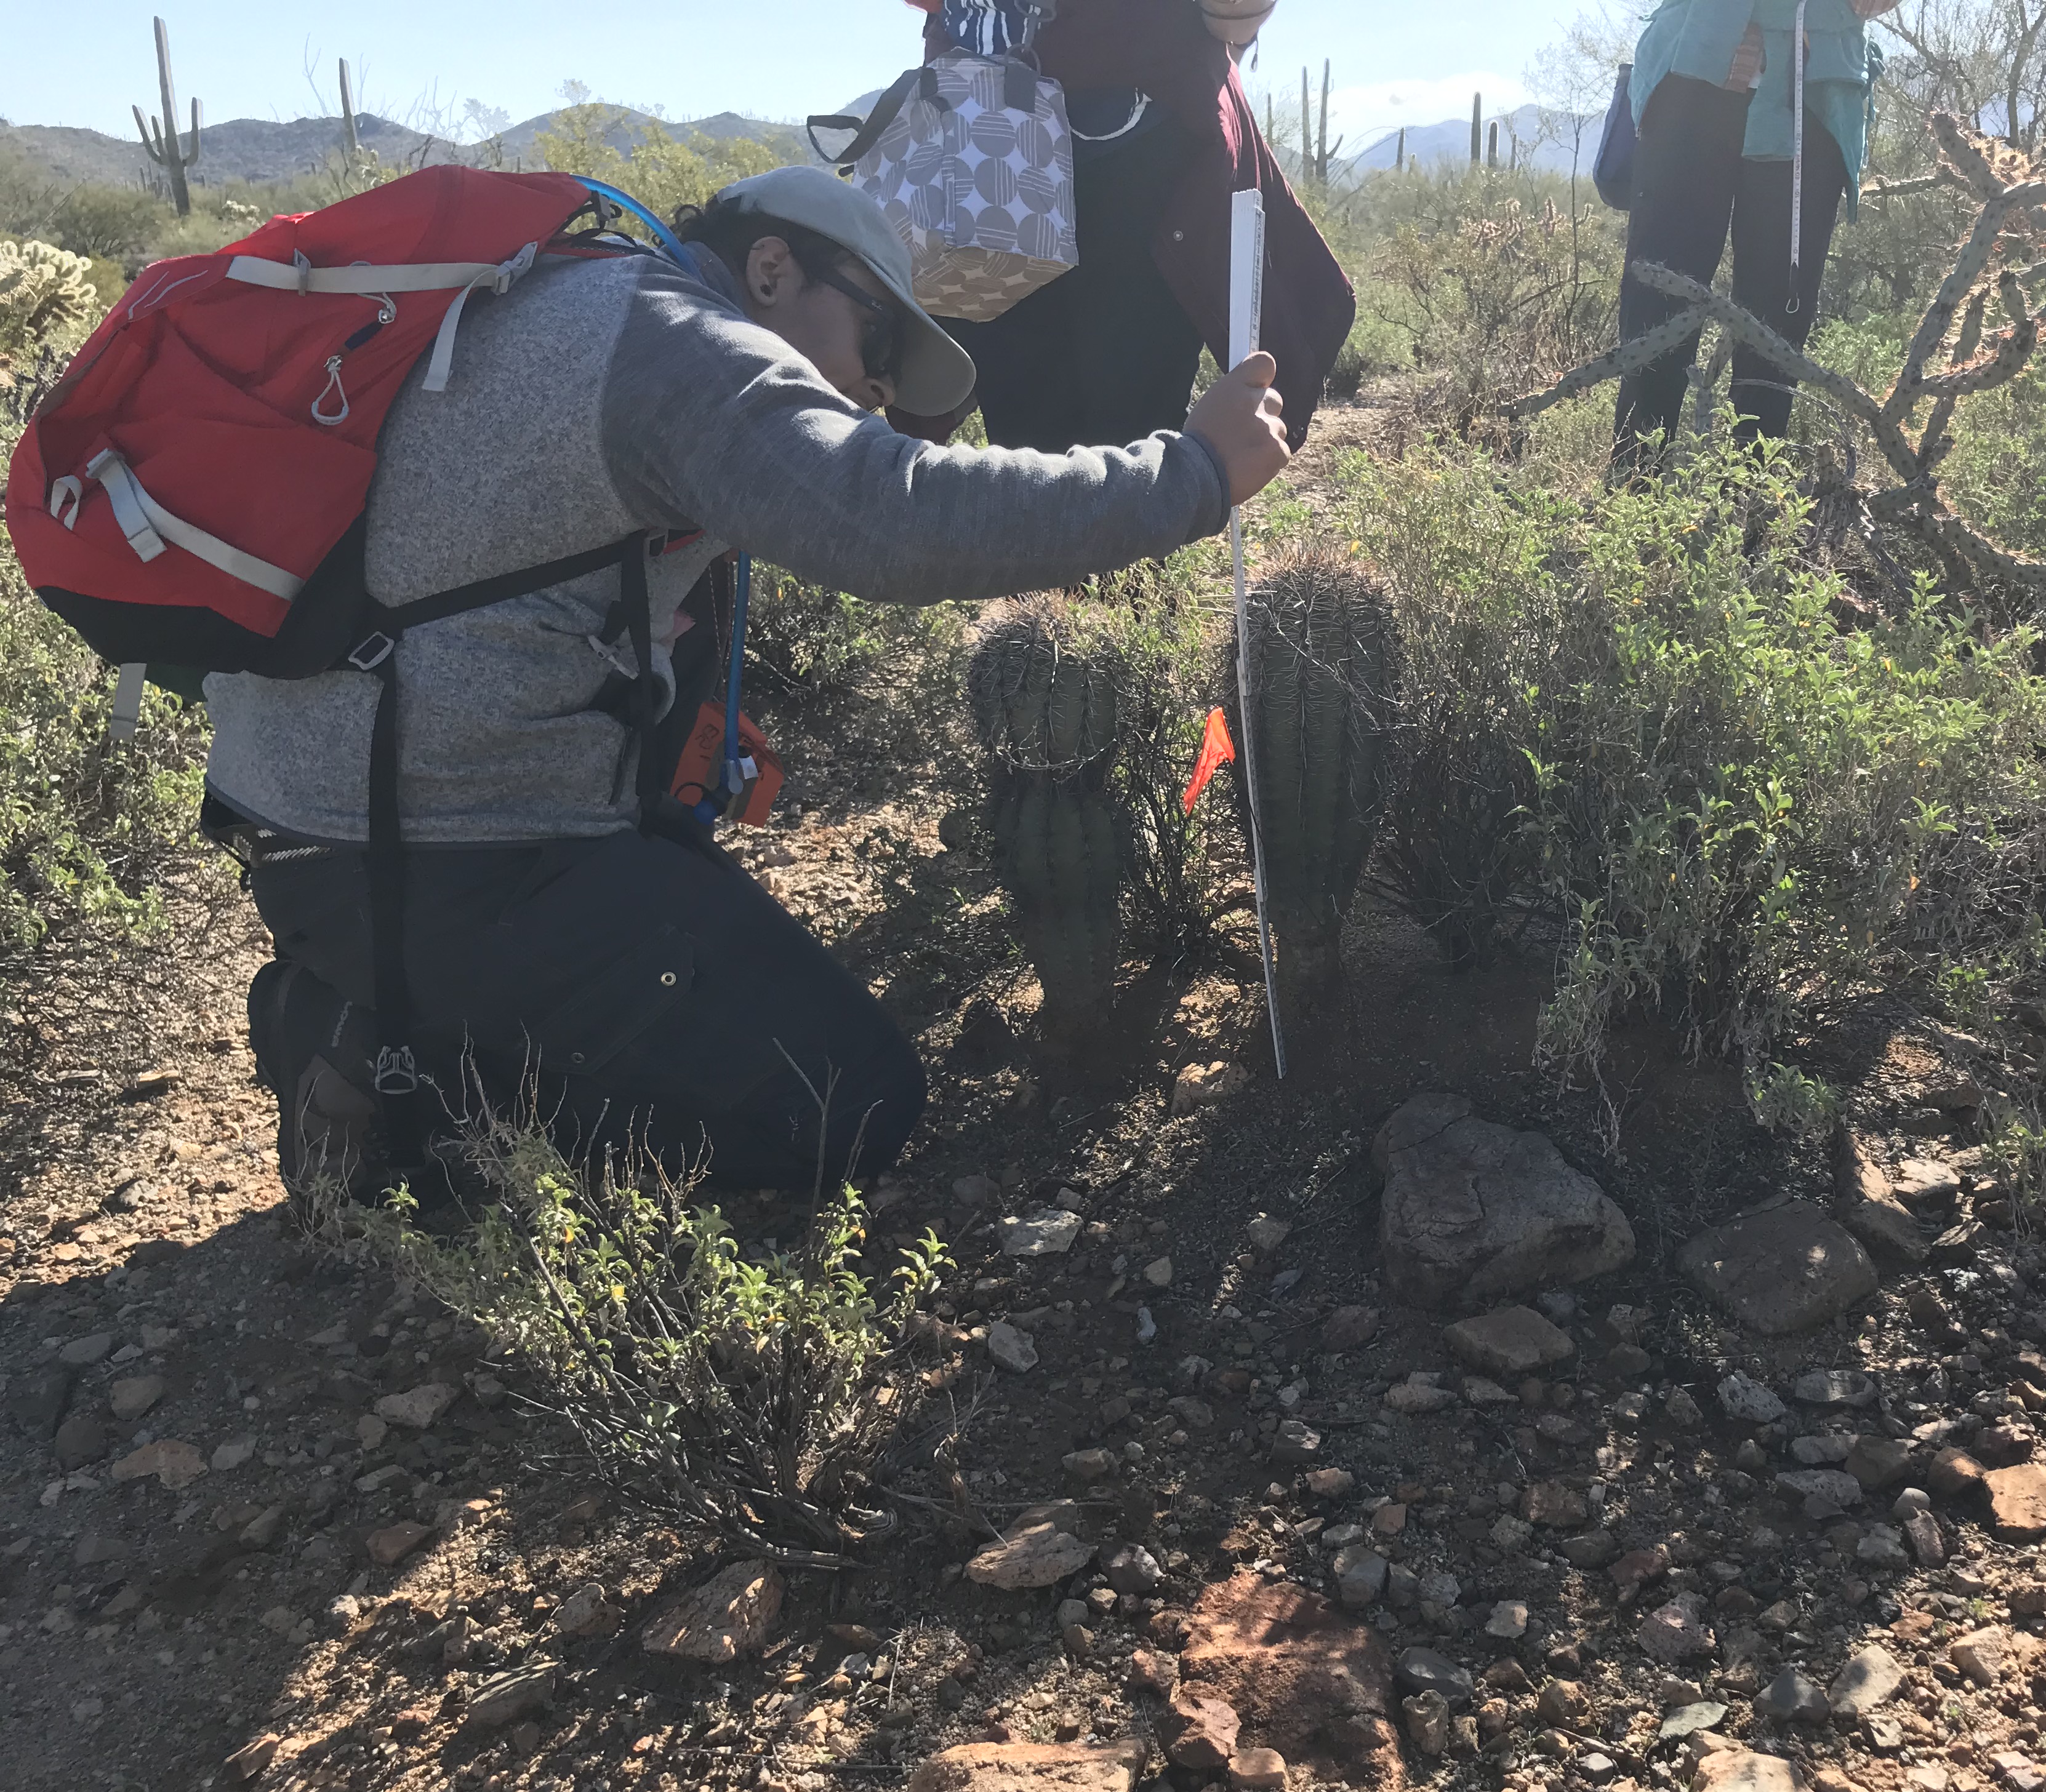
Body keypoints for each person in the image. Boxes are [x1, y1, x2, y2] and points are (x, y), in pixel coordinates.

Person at [206, 165, 1289, 1195]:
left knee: (746, 995)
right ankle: (381, 1069)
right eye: (872, 339)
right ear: (771, 269)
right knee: (844, 1103)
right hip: (434, 853)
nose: (868, 387)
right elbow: (888, 519)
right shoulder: (672, 341)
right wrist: (1187, 473)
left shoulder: (578, 303)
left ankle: (393, 998)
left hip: (348, 816)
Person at [896, 0, 1352, 453]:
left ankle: (1057, 516)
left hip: (985, 145)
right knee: (1132, 430)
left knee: (1029, 432)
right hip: (1139, 132)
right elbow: (1234, 13)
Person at [1610, 0, 1892, 469]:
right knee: (1657, 300)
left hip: (1814, 83)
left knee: (1778, 321)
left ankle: (1752, 513)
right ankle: (1632, 497)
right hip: (1693, 69)